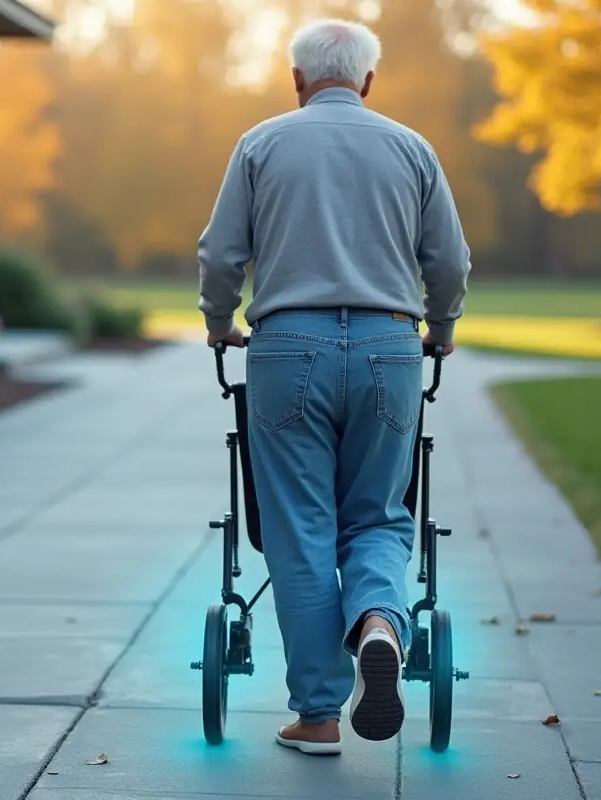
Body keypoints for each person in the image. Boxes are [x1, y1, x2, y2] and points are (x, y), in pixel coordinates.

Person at [197, 17, 471, 755]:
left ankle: (318, 714)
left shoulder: (260, 144)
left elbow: (221, 255)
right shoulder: (412, 148)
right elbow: (449, 262)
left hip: (288, 347)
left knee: (300, 528)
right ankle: (380, 623)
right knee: (380, 513)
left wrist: (219, 320)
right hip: (390, 346)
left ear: (297, 79)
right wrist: (439, 329)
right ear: (369, 81)